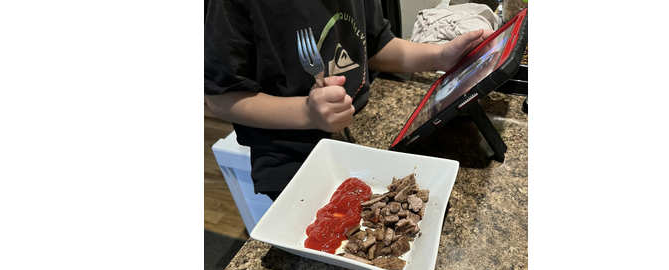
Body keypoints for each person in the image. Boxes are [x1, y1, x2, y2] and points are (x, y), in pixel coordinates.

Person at [205, 0, 493, 201]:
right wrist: (306, 113)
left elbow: (376, 46)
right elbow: (219, 97)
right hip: (292, 157)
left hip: (358, 129)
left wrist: (440, 56)